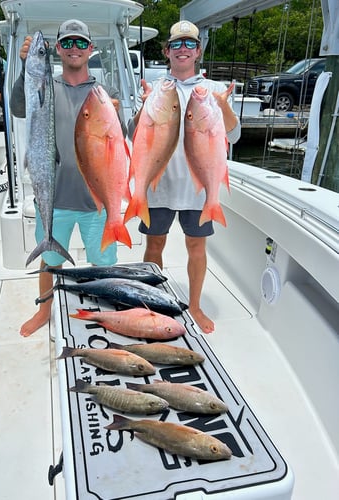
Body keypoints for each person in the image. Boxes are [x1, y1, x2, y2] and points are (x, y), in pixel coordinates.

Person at [10, 19, 126, 337]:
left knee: (103, 263)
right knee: (49, 262)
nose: (74, 49)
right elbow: (19, 107)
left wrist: (116, 114)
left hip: (97, 201)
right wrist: (26, 67)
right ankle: (44, 311)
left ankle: (105, 313)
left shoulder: (106, 92)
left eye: (80, 43)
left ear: (90, 49)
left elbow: (123, 136)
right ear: (59, 49)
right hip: (55, 198)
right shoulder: (45, 85)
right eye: (68, 43)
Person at [128, 20, 241, 334]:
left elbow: (234, 135)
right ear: (166, 51)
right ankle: (155, 303)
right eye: (176, 44)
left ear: (198, 51)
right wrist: (142, 108)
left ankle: (194, 306)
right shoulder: (155, 88)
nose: (182, 49)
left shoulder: (215, 91)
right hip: (158, 186)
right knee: (154, 245)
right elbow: (132, 132)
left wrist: (224, 108)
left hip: (198, 191)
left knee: (196, 247)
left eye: (189, 44)